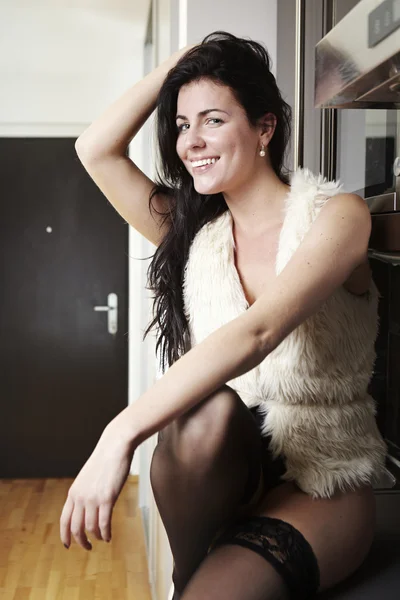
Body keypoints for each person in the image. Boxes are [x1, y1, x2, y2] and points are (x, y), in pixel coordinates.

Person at [60, 31, 393, 600]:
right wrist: (188, 61)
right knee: (209, 410)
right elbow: (95, 149)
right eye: (183, 125)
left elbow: (259, 331)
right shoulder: (193, 236)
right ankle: (188, 576)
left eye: (213, 120)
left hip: (321, 478)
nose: (191, 141)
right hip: (223, 471)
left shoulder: (336, 214)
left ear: (264, 128)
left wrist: (119, 434)